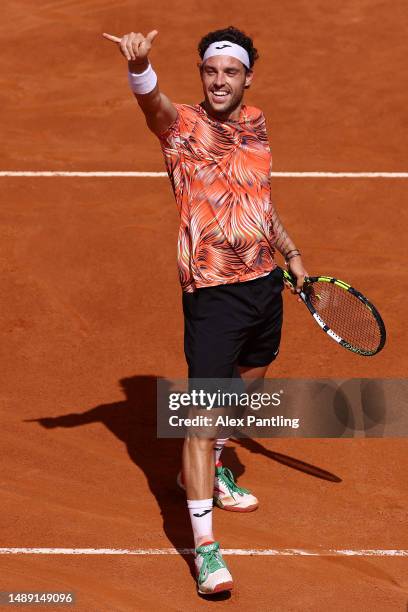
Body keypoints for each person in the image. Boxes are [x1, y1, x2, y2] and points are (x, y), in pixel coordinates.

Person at [103, 25, 308, 596]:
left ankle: (215, 464)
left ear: (247, 77)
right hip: (213, 291)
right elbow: (154, 107)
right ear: (203, 76)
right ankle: (206, 550)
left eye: (230, 73)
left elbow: (257, 197)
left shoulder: (256, 122)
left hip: (265, 282)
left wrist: (290, 253)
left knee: (247, 387)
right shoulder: (183, 128)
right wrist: (140, 69)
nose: (219, 82)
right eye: (210, 72)